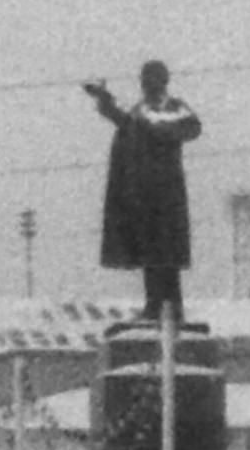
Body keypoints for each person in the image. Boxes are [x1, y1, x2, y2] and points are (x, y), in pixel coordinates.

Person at [86, 60, 203, 326]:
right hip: (142, 193)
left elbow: (191, 128)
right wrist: (105, 100)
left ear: (162, 80)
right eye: (143, 79)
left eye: (150, 78)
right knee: (151, 251)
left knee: (167, 253)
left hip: (167, 193)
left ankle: (172, 306)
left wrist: (159, 129)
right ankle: (154, 306)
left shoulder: (175, 107)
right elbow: (125, 120)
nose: (145, 83)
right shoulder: (141, 109)